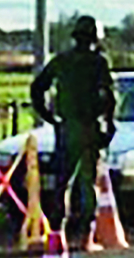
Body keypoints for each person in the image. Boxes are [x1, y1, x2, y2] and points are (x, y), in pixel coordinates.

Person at [29, 15, 118, 239]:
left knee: (62, 182)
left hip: (66, 128)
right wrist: (109, 122)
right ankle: (87, 235)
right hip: (90, 127)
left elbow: (38, 87)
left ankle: (57, 232)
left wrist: (49, 116)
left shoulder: (61, 60)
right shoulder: (99, 62)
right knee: (88, 182)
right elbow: (109, 96)